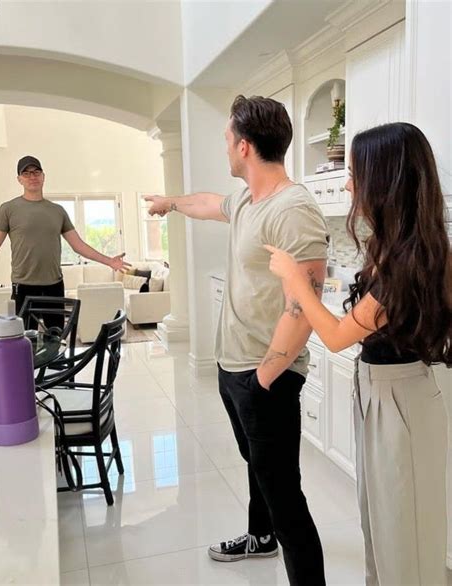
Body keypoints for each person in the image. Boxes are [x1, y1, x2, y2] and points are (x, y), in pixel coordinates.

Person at [145, 95, 329, 585]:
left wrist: (266, 374)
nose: (225, 148)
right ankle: (259, 537)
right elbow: (209, 203)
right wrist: (172, 203)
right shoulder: (250, 198)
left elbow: (305, 303)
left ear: (244, 146)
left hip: (263, 373)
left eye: (228, 140)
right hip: (237, 368)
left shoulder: (294, 209)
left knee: (285, 496)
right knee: (258, 468)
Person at [266, 122, 451, 586]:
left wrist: (295, 279)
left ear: (385, 180)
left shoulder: (408, 260)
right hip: (384, 393)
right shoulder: (400, 249)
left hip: (400, 400)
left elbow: (335, 335)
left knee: (401, 531)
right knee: (382, 526)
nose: (348, 183)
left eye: (354, 172)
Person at [0, 155, 130, 328]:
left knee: (56, 339)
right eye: (26, 173)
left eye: (36, 172)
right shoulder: (8, 209)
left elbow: (78, 245)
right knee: (26, 342)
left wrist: (109, 261)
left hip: (54, 286)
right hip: (23, 287)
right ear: (19, 179)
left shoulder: (58, 211)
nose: (32, 176)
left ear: (43, 176)